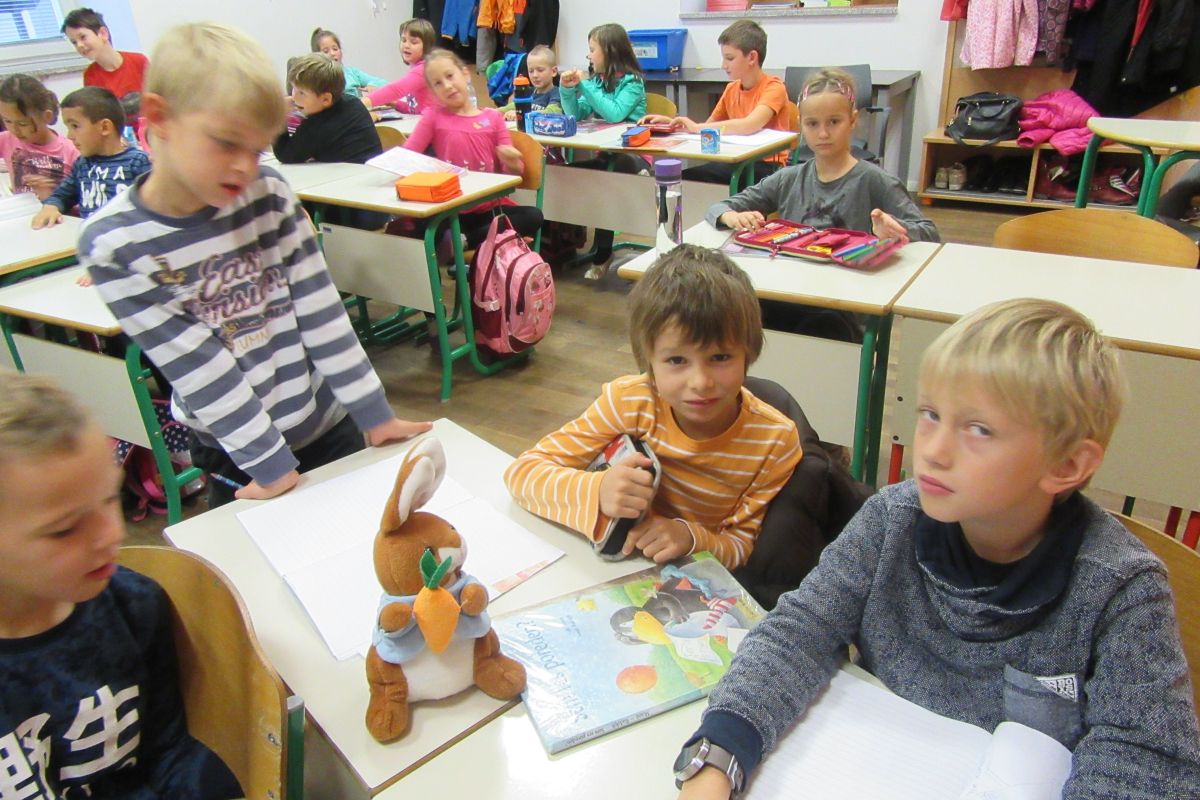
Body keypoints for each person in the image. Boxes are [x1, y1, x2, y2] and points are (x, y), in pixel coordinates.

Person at [673, 298, 1200, 800]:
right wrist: (718, 756)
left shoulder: (1120, 590)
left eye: (979, 429)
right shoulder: (890, 520)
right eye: (930, 414)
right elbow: (801, 631)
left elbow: (1146, 760)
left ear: (1066, 465)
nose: (933, 450)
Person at [78, 22, 431, 509]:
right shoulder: (116, 244)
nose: (246, 167)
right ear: (159, 118)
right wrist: (271, 466)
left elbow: (320, 310)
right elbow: (199, 366)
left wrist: (374, 413)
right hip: (238, 451)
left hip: (327, 422)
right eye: (227, 143)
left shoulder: (267, 192)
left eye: (257, 148)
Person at [0, 371, 242, 799]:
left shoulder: (135, 605)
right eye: (63, 530)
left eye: (110, 498)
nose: (111, 534)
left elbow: (166, 751)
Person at [504, 244, 802, 570]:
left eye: (720, 357)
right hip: (613, 567)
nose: (700, 382)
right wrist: (597, 489)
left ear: (748, 353)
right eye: (676, 360)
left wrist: (690, 537)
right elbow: (522, 474)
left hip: (693, 577)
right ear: (649, 362)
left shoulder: (775, 442)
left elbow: (741, 547)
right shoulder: (630, 402)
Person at [707, 67, 938, 243]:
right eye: (812, 124)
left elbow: (930, 233)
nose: (823, 133)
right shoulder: (788, 179)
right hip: (795, 286)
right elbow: (718, 208)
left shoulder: (874, 180)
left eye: (834, 122)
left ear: (853, 120)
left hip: (849, 288)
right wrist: (730, 216)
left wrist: (894, 228)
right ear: (801, 125)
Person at [401, 48, 543, 248]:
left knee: (533, 216)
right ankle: (476, 242)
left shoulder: (492, 118)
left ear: (465, 74)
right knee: (422, 223)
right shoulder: (433, 117)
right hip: (450, 208)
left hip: (487, 208)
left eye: (450, 76)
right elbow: (406, 155)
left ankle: (465, 242)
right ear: (433, 91)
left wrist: (512, 162)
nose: (447, 86)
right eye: (438, 83)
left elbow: (512, 175)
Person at [641, 20, 790, 185]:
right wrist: (673, 125)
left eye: (730, 58)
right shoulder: (731, 89)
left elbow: (750, 124)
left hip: (767, 168)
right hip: (737, 161)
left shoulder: (774, 87)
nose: (723, 65)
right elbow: (707, 128)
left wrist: (697, 127)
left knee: (691, 179)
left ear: (752, 57)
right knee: (683, 177)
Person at [558, 22, 647, 277]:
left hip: (634, 155)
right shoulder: (597, 82)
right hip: (606, 154)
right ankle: (565, 243)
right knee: (566, 173)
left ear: (609, 51)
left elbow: (615, 113)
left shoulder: (632, 82)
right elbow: (576, 113)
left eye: (592, 49)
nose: (588, 56)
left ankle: (604, 252)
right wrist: (567, 89)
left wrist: (584, 85)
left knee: (613, 172)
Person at [275, 53, 388, 231]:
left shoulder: (317, 125)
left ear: (326, 99)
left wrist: (280, 116)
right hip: (377, 202)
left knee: (293, 201)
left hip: (353, 211)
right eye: (293, 89)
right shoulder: (353, 104)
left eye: (301, 93)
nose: (294, 97)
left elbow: (285, 154)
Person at [32, 87, 150, 228]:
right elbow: (61, 196)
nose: (69, 136)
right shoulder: (82, 164)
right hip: (91, 237)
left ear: (104, 127)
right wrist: (51, 206)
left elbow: (157, 207)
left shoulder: (138, 162)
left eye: (75, 126)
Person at [0, 74, 79, 201]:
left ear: (46, 117)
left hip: (58, 212)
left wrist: (51, 195)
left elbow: (82, 203)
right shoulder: (6, 139)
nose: (14, 130)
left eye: (23, 123)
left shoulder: (72, 152)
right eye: (7, 121)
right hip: (21, 210)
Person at [62, 7, 150, 100]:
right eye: (74, 42)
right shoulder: (90, 76)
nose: (79, 45)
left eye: (83, 37)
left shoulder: (139, 61)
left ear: (103, 33)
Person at [363, 18, 437, 117]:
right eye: (403, 40)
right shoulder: (417, 67)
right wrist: (393, 103)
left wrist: (362, 103)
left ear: (427, 46)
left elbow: (396, 89)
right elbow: (415, 107)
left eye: (413, 42)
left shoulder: (424, 69)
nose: (406, 45)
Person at [310, 27, 386, 98]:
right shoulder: (317, 80)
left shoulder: (353, 73)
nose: (332, 53)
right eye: (326, 51)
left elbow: (385, 84)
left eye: (335, 49)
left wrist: (372, 85)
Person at [499, 45, 562, 121]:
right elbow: (512, 107)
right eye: (531, 71)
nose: (535, 75)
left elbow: (552, 112)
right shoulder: (528, 92)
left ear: (554, 71)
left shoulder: (558, 93)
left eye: (540, 70)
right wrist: (491, 112)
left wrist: (521, 114)